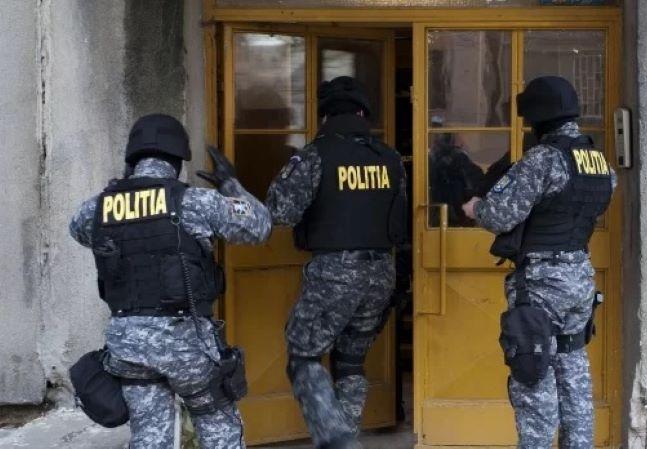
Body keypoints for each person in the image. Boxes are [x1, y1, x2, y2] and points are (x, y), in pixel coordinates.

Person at [69, 113, 271, 449]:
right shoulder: (193, 202)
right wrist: (231, 185)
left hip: (130, 351)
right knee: (218, 428)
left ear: (132, 160)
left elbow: (78, 229)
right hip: (186, 348)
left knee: (150, 438)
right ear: (177, 161)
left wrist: (121, 191)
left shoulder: (97, 209)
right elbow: (260, 226)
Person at [462, 76, 616, 449]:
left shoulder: (544, 159)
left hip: (541, 286)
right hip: (579, 279)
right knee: (573, 375)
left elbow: (500, 215)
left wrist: (476, 207)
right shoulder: (596, 161)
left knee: (533, 376)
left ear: (538, 117)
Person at [266, 76, 407, 449]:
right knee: (350, 362)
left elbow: (279, 211)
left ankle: (337, 440)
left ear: (325, 116)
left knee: (303, 357)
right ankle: (348, 439)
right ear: (362, 114)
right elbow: (399, 222)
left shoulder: (315, 155)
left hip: (335, 273)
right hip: (381, 273)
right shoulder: (391, 158)